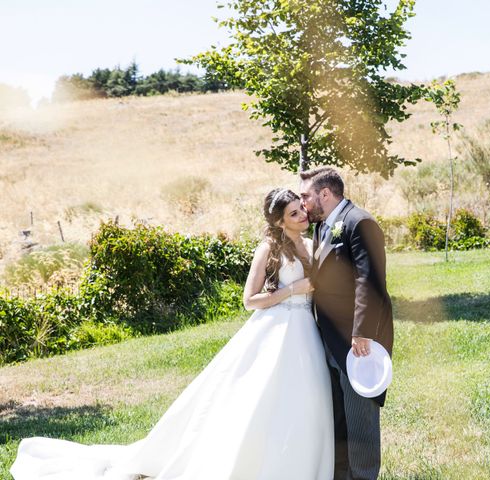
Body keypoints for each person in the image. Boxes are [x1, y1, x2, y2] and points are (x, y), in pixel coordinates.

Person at [10, 188, 334, 480]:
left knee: (306, 398)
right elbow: (250, 300)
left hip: (307, 329)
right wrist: (292, 290)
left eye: (301, 209)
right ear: (278, 221)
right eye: (293, 213)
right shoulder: (268, 249)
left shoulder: (310, 242)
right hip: (277, 330)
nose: (303, 214)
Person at [300, 167, 394, 480]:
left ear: (324, 194)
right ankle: (342, 473)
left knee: (360, 415)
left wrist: (362, 333)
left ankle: (364, 474)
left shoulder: (359, 222)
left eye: (306, 196)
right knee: (338, 412)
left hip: (357, 340)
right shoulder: (320, 228)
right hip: (327, 336)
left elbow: (370, 281)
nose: (303, 204)